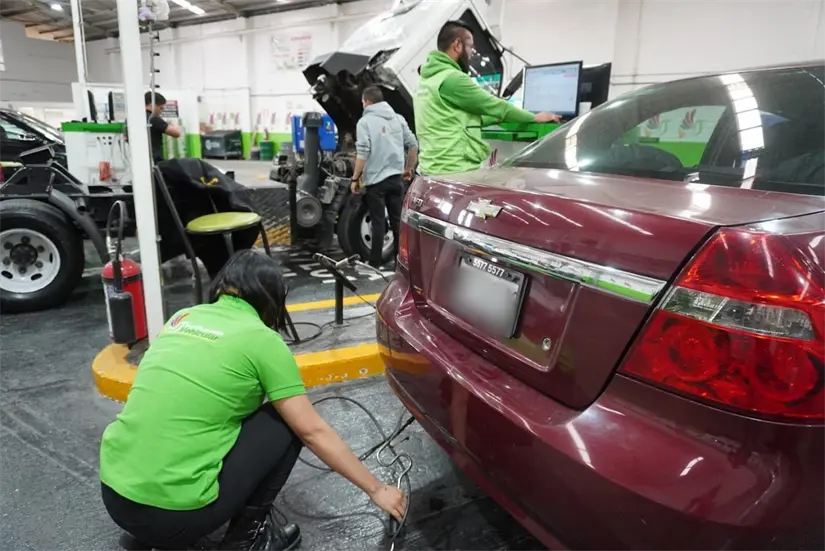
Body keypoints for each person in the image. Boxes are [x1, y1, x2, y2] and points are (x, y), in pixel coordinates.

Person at [99, 250, 406, 551]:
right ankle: (246, 541)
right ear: (271, 298)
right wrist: (377, 490)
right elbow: (312, 431)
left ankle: (152, 534)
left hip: (114, 496)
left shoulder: (182, 318)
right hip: (172, 518)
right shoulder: (263, 340)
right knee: (285, 423)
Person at [414, 20, 560, 176]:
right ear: (457, 45)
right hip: (454, 170)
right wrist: (535, 117)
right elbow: (496, 106)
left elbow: (457, 119)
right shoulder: (453, 79)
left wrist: (496, 118)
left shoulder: (427, 79)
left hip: (430, 167)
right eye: (470, 46)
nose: (471, 53)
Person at [351, 85, 418, 268]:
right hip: (396, 180)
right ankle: (400, 263)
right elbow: (413, 145)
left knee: (378, 221)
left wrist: (355, 178)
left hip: (376, 182)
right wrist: (409, 168)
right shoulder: (398, 119)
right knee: (397, 222)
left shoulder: (364, 123)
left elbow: (363, 152)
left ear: (367, 102)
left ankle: (374, 263)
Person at [145, 91, 182, 164]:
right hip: (153, 159)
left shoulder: (132, 118)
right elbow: (177, 133)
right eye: (161, 108)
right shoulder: (153, 118)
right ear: (152, 105)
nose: (161, 111)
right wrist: (174, 124)